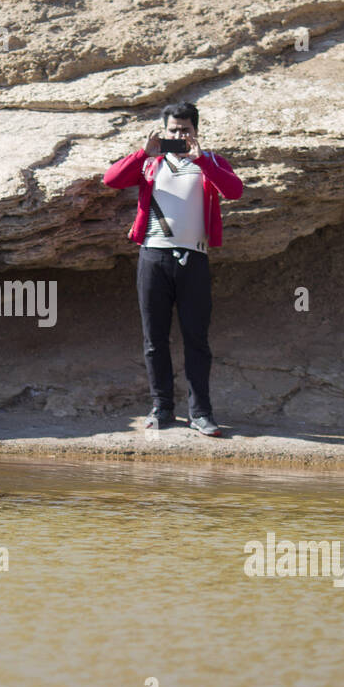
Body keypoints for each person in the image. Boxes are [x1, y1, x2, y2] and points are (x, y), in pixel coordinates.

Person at [102, 101, 244, 437]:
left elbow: (235, 190)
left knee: (197, 339)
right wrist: (142, 152)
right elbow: (111, 180)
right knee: (155, 340)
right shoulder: (151, 161)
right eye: (173, 130)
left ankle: (201, 413)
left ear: (196, 132)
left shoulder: (208, 162)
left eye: (186, 130)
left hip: (194, 259)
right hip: (154, 256)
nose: (179, 135)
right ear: (164, 131)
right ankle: (162, 408)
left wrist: (202, 161)